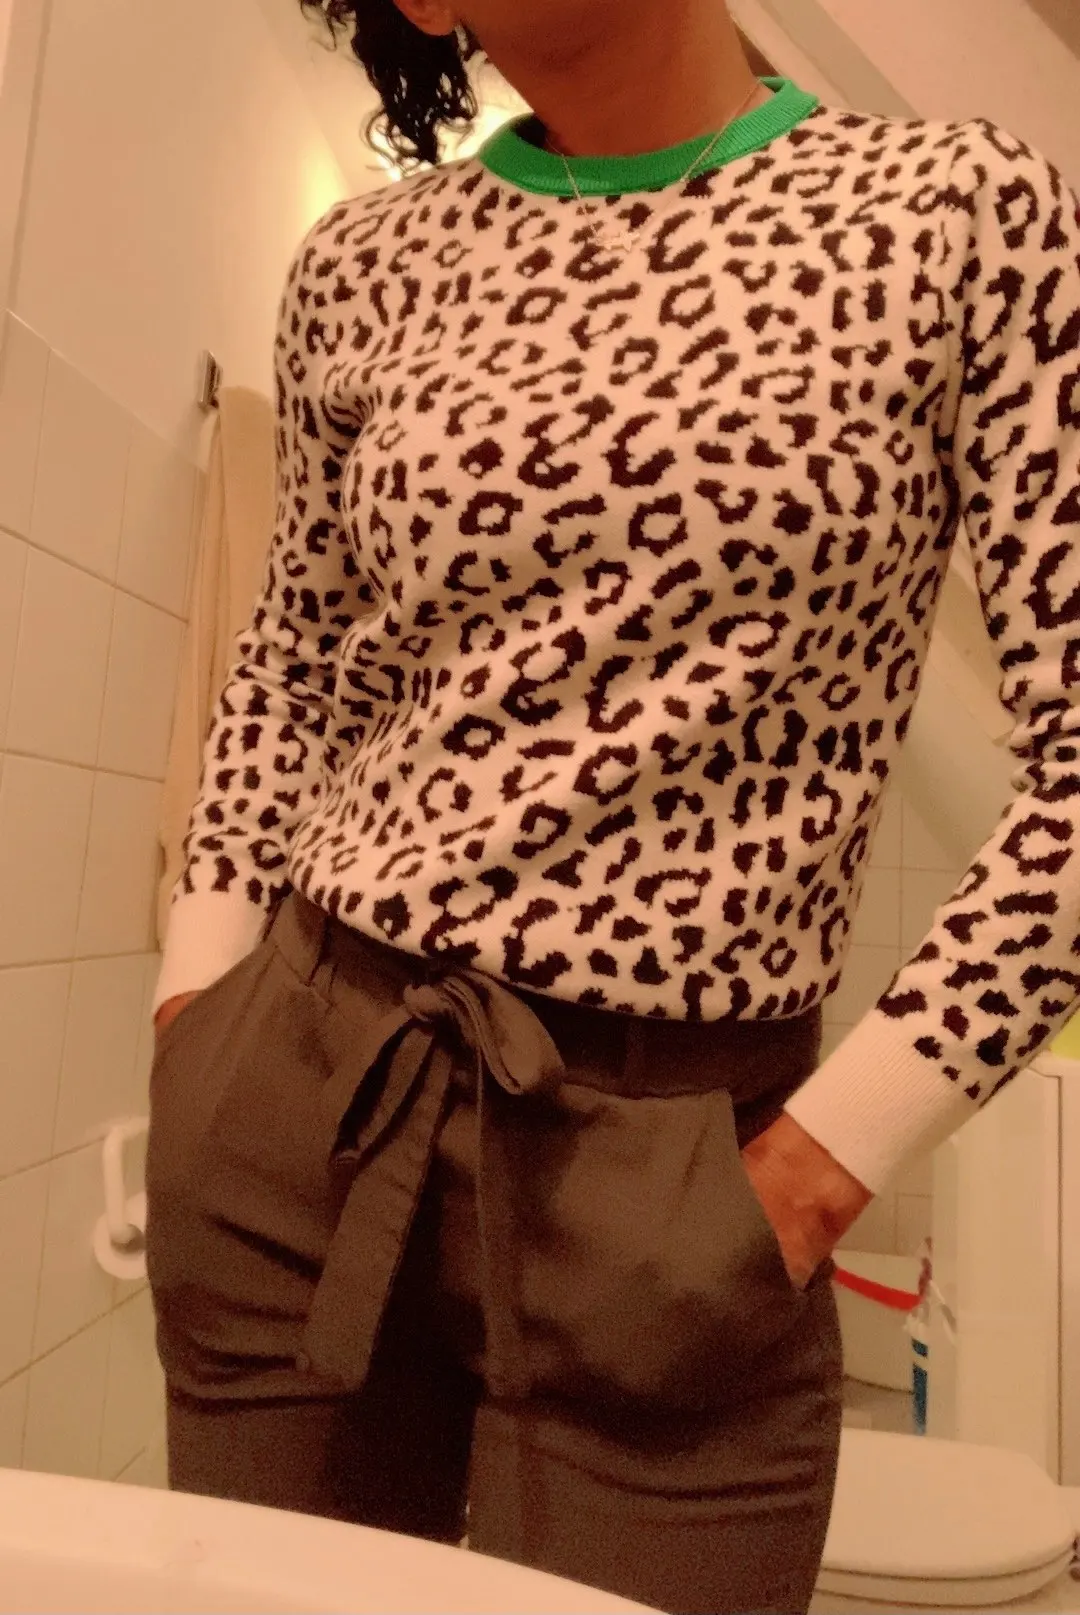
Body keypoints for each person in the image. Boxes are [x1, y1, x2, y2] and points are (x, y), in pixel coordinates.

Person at [145, 1, 1080, 1610]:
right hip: (302, 1104)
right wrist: (196, 1010)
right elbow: (292, 664)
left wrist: (819, 1167)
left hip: (685, 1180)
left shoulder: (962, 213)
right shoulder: (365, 262)